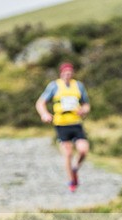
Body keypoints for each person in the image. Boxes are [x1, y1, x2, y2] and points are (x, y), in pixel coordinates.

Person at [35, 62, 91, 192]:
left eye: (70, 72)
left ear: (73, 73)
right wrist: (44, 114)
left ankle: (75, 167)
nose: (68, 74)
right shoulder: (54, 86)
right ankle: (72, 180)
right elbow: (40, 102)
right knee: (68, 153)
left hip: (76, 123)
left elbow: (86, 104)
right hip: (61, 124)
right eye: (65, 72)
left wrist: (84, 110)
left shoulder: (78, 86)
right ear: (61, 73)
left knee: (83, 150)